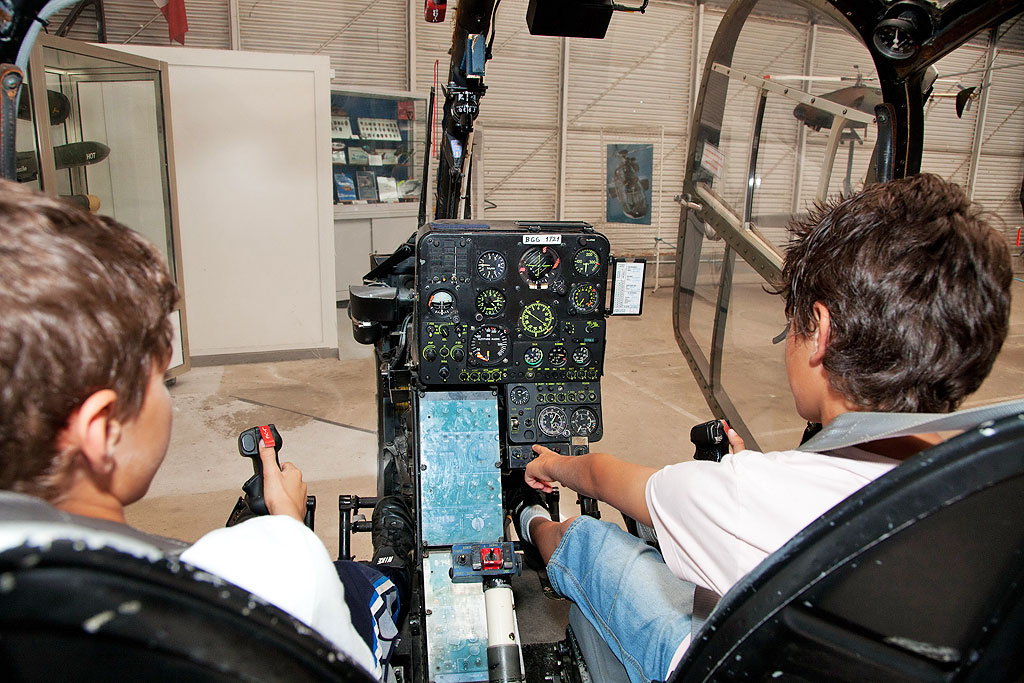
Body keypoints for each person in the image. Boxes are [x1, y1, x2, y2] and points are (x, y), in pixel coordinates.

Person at [513, 173, 1014, 683]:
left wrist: (551, 464)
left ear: (820, 332)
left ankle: (528, 521)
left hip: (708, 665)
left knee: (590, 542)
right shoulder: (1001, 484)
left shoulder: (750, 496)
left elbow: (602, 477)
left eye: (790, 324)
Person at [0, 179, 412, 681]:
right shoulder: (273, 575)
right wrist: (288, 531)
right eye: (156, 379)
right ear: (102, 430)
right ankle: (394, 564)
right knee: (366, 583)